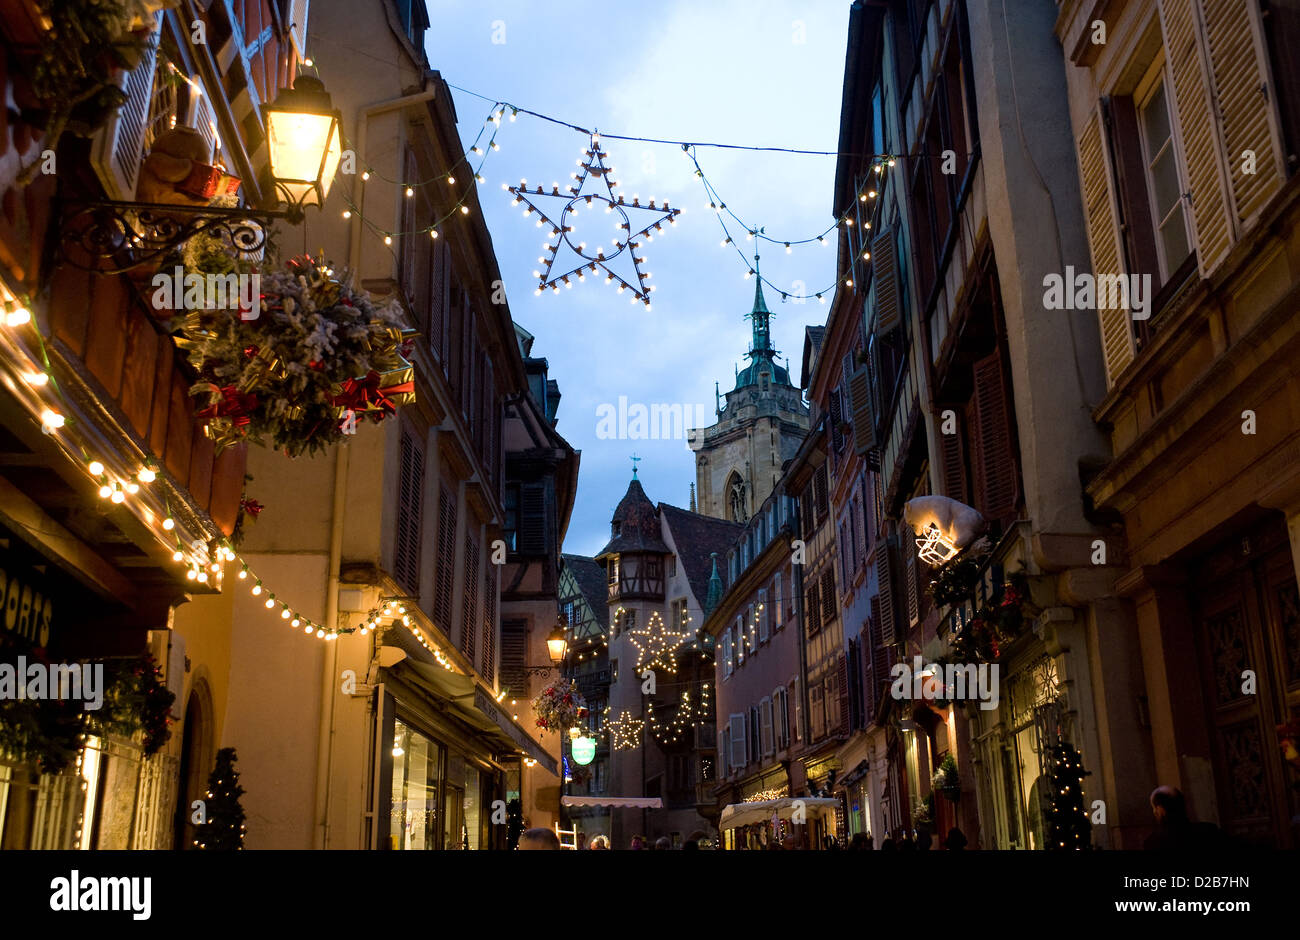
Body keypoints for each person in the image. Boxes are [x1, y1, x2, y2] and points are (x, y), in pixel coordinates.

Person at [1143, 785, 1228, 849]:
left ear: (1160, 810)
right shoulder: (1210, 830)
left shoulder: (1153, 842)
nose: (1154, 812)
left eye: (1154, 808)